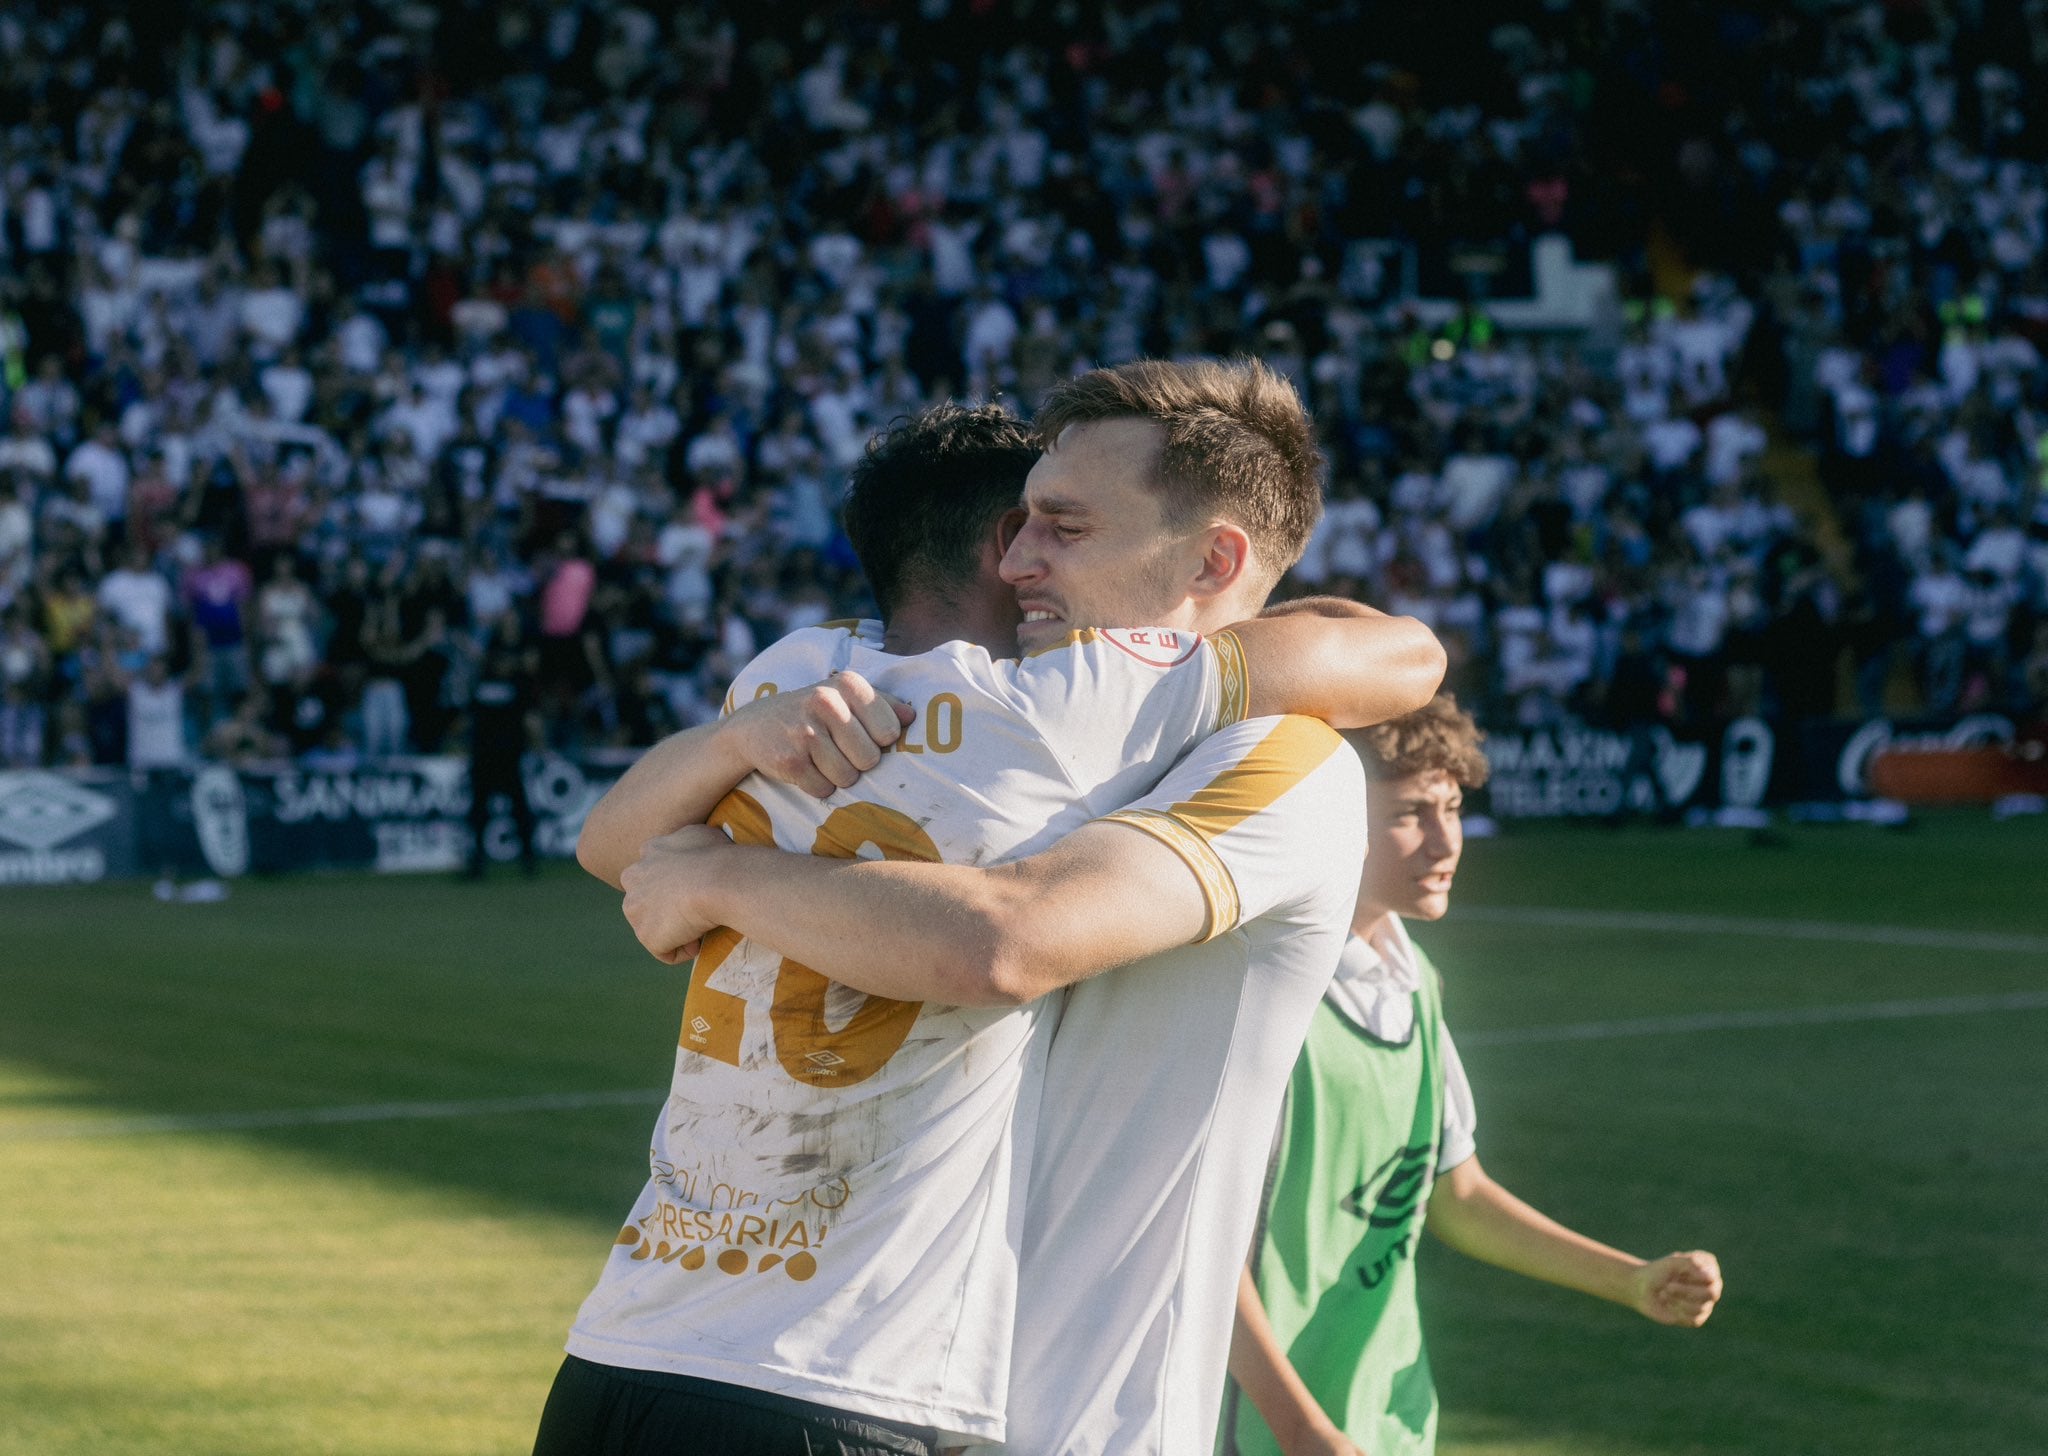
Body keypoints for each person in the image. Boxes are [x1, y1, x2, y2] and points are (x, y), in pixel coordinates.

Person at [540, 385, 1443, 1456]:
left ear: (1208, 562)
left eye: (1060, 528)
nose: (1021, 564)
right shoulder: (1079, 711)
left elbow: (1006, 937)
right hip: (885, 1380)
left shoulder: (1273, 756)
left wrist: (716, 873)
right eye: (1018, 527)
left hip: (1038, 1411)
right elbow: (1400, 651)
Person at [1221, 696, 1724, 1456]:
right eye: (1408, 814)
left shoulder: (1413, 980)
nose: (1443, 840)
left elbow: (1456, 1195)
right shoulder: (1258, 991)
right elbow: (1191, 1246)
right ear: (1327, 820)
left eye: (1453, 807)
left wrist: (1631, 1280)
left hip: (1386, 1421)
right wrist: (1301, 1428)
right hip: (1257, 1430)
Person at [465, 610, 540, 877]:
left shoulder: (519, 683)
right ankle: (477, 863)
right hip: (484, 756)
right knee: (479, 814)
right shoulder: (481, 681)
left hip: (509, 756)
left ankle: (529, 861)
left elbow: (530, 717)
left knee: (519, 812)